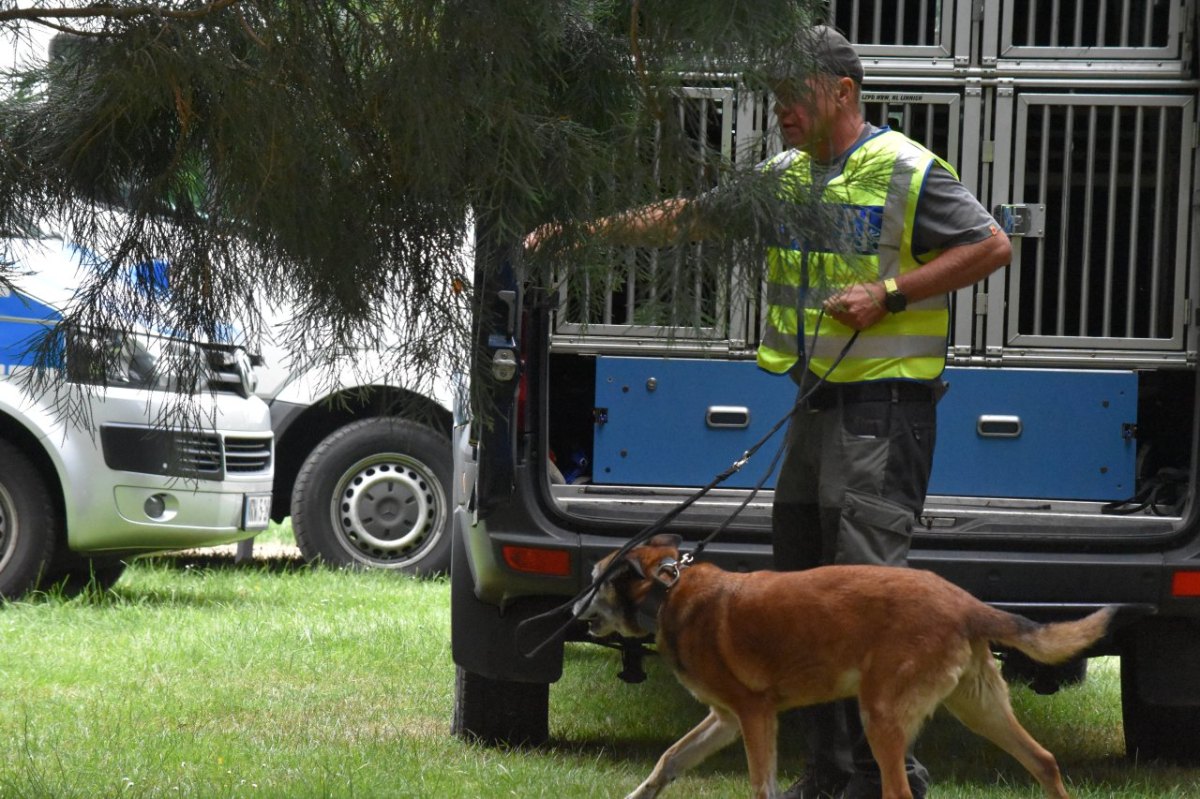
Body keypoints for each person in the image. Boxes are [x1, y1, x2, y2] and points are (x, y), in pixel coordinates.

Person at [527, 25, 1012, 799]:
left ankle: (890, 780)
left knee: (864, 598)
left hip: (885, 413)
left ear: (843, 94)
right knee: (803, 599)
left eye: (794, 94)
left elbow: (992, 245)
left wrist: (887, 294)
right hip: (817, 406)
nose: (779, 108)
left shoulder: (905, 169)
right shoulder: (786, 176)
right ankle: (827, 774)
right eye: (773, 95)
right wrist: (584, 234)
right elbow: (689, 215)